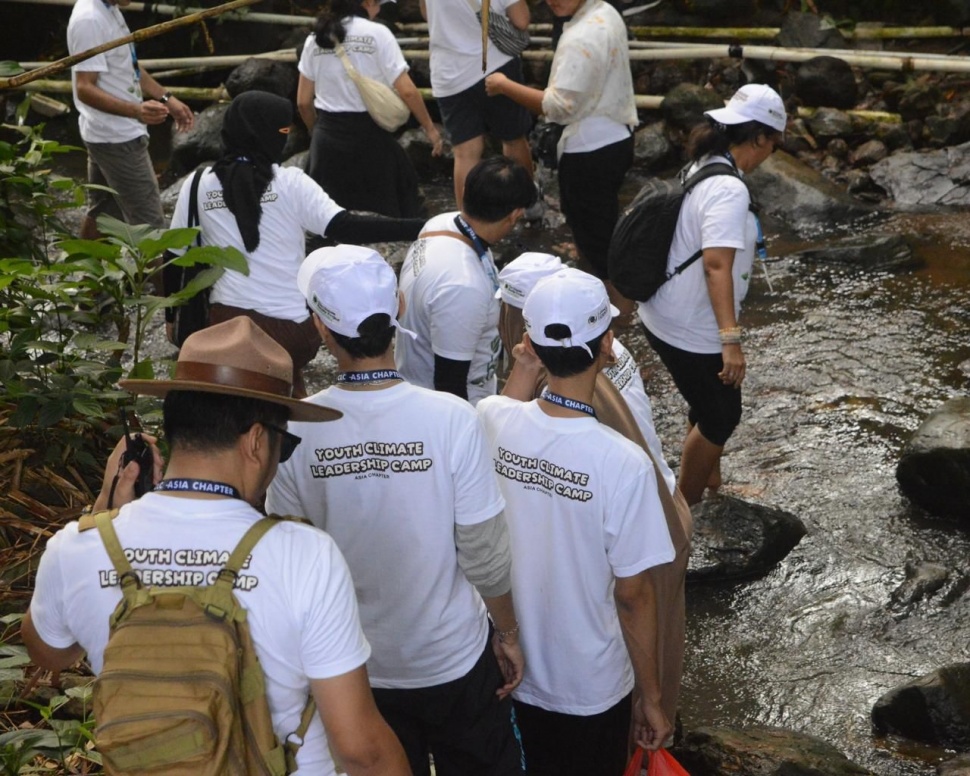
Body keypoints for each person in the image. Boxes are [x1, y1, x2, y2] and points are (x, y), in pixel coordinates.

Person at [21, 316, 412, 776]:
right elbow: (360, 749)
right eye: (282, 446)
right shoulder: (306, 555)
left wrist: (103, 509)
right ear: (256, 441)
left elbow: (49, 653)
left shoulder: (80, 547)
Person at [266, 244, 525, 776]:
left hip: (356, 670)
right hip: (452, 657)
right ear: (400, 308)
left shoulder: (295, 433)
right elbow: (483, 553)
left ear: (320, 328)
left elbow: (288, 553)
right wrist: (508, 634)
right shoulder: (452, 418)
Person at [477, 268, 675, 775]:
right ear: (608, 346)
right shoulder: (624, 463)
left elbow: (508, 404)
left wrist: (525, 363)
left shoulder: (492, 419)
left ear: (529, 345)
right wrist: (651, 698)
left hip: (505, 664)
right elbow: (634, 596)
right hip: (590, 688)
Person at [166, 90, 425, 396]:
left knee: (247, 393)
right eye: (283, 131)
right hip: (294, 333)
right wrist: (422, 226)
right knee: (286, 387)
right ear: (264, 134)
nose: (286, 137)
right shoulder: (290, 183)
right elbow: (345, 227)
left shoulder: (197, 185)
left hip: (226, 327)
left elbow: (173, 256)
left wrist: (171, 319)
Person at [637, 83, 786, 506]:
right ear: (758, 137)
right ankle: (682, 509)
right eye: (772, 144)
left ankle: (710, 482)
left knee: (705, 400)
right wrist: (730, 340)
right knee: (722, 414)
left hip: (663, 310)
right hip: (688, 324)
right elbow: (716, 264)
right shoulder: (729, 188)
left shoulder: (707, 162)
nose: (770, 153)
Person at [484, 0, 636, 299]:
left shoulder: (582, 36)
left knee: (600, 248)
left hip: (590, 149)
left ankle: (613, 312)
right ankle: (596, 274)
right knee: (599, 227)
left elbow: (558, 108)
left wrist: (504, 85)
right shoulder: (604, 11)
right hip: (617, 135)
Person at [395, 155, 535, 404]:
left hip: (414, 378)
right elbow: (450, 386)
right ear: (514, 215)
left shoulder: (439, 224)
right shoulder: (463, 287)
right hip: (452, 406)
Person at [297, 0, 444, 218]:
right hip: (371, 138)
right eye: (378, 5)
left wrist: (314, 131)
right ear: (367, 3)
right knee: (391, 218)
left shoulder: (314, 38)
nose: (379, 11)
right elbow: (408, 91)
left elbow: (303, 102)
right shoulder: (378, 33)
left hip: (327, 140)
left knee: (326, 219)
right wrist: (430, 129)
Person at [68, 0, 194, 240]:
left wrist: (167, 98)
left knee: (104, 212)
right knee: (151, 226)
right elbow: (84, 88)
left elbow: (130, 65)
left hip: (107, 132)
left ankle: (83, 274)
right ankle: (155, 278)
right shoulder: (90, 20)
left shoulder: (111, 9)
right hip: (116, 137)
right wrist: (136, 110)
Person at [419, 0, 535, 210]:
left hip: (448, 74)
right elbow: (521, 19)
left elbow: (427, 15)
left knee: (464, 153)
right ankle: (527, 206)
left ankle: (467, 222)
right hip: (495, 65)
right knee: (512, 139)